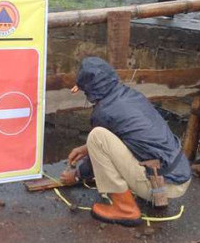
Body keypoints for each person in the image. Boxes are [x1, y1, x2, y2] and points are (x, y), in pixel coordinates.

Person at [59, 56, 191, 227]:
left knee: (96, 136)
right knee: (96, 140)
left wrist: (76, 175)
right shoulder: (130, 95)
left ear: (89, 91)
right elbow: (127, 136)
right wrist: (85, 148)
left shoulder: (103, 112)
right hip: (179, 174)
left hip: (165, 185)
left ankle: (125, 209)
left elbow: (97, 156)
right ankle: (134, 194)